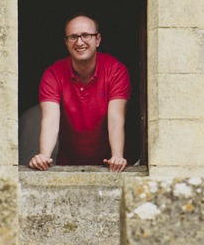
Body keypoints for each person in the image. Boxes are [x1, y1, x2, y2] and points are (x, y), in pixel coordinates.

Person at [28, 14, 130, 172]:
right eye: (73, 37)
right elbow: (50, 119)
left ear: (98, 39)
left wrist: (117, 156)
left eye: (86, 35)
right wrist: (43, 156)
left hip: (109, 165)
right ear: (66, 43)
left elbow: (116, 118)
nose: (79, 42)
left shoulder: (115, 70)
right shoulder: (53, 73)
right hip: (68, 164)